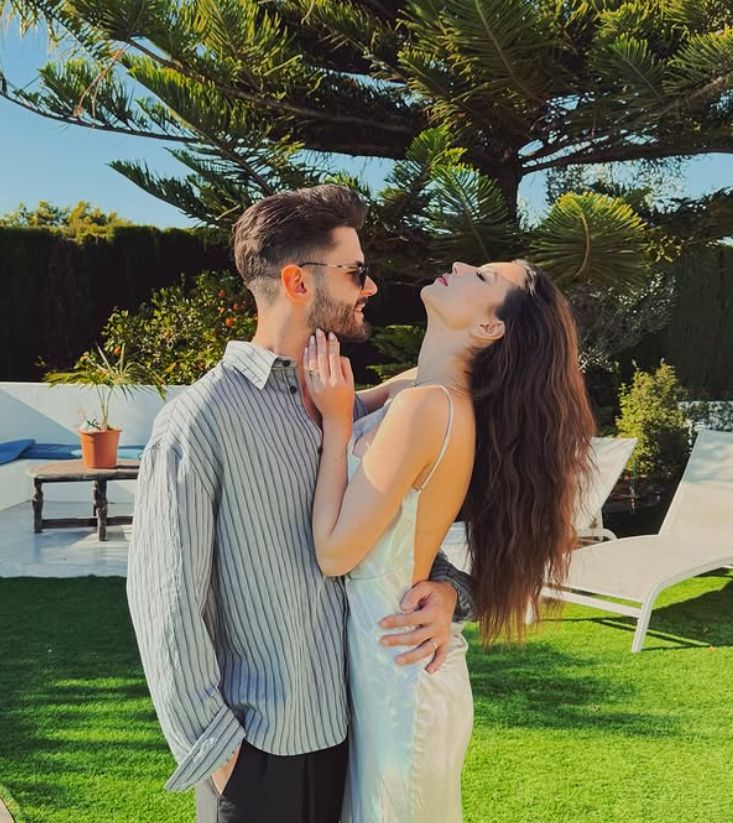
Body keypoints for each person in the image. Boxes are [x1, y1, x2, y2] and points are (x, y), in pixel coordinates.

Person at [126, 184, 474, 823]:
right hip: (259, 752)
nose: (370, 288)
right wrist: (224, 759)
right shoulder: (198, 422)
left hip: (354, 732)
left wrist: (451, 591)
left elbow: (398, 531)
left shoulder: (346, 408)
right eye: (355, 273)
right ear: (297, 282)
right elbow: (165, 604)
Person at [305, 259, 596, 823]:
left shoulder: (428, 407)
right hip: (387, 664)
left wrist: (339, 425)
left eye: (483, 277)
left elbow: (335, 552)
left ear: (489, 327)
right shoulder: (419, 390)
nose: (460, 265)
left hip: (400, 679)